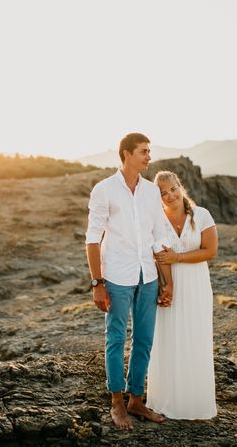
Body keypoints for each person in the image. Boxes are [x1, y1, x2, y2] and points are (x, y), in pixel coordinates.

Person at [85, 133, 174, 430]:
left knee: (145, 339)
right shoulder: (104, 190)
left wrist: (166, 280)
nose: (148, 157)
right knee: (115, 339)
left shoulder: (151, 192)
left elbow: (159, 236)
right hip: (117, 277)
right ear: (126, 154)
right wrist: (97, 282)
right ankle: (117, 404)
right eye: (143, 151)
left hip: (147, 275)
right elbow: (92, 239)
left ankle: (136, 400)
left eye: (149, 151)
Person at [146, 170, 219, 420]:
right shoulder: (156, 220)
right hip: (167, 285)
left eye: (173, 189)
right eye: (163, 193)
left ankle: (195, 402)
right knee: (167, 339)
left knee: (194, 337)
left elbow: (210, 251)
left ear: (181, 186)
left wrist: (178, 257)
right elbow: (156, 255)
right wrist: (166, 284)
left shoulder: (201, 215)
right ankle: (167, 400)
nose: (170, 196)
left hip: (196, 284)